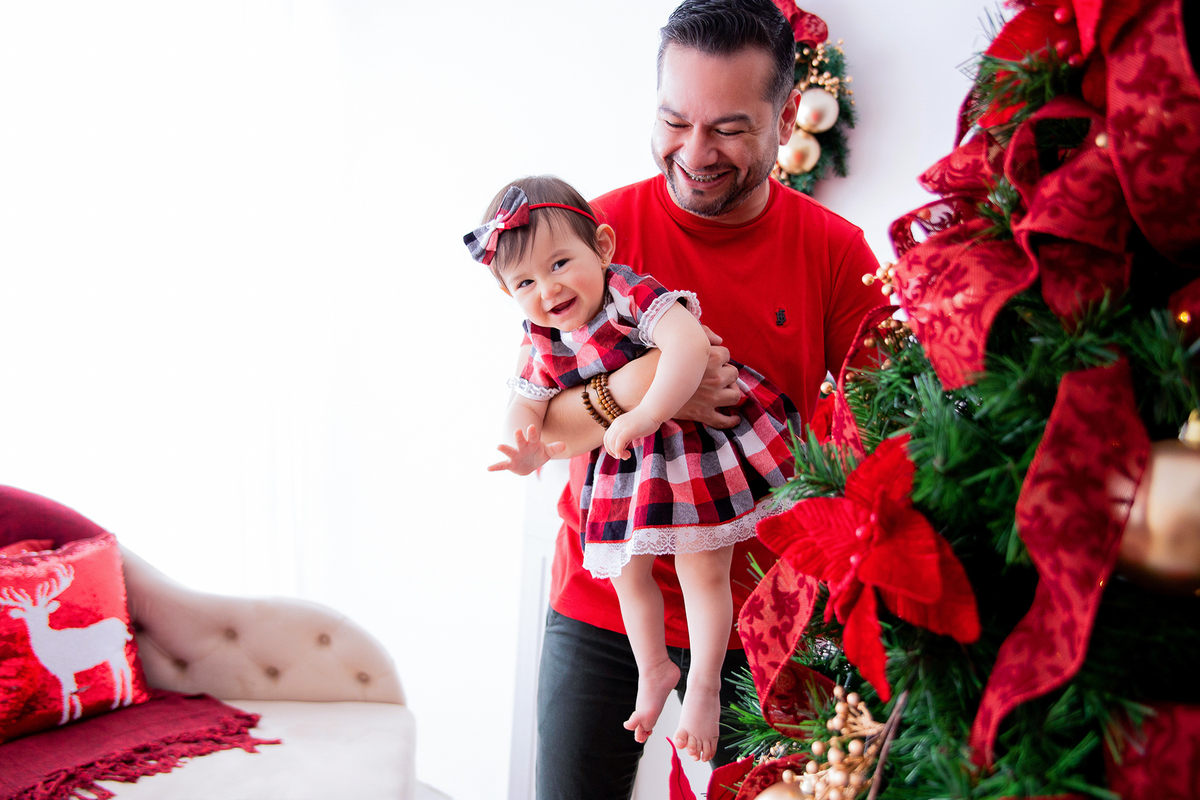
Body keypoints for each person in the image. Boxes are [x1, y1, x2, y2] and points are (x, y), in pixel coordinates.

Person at [531, 1, 883, 797]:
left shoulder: (834, 254)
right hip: (601, 608)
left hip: (763, 624)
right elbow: (541, 430)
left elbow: (882, 440)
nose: (694, 154)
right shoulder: (595, 234)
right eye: (673, 121)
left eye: (727, 127)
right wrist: (657, 388)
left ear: (787, 114)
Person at [470, 175, 802, 762]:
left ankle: (702, 685)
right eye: (525, 281)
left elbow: (690, 345)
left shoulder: (630, 294)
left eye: (560, 263)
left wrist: (649, 411)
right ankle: (654, 669)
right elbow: (525, 403)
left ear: (601, 246)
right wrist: (522, 448)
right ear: (508, 293)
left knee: (705, 571)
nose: (548, 289)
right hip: (626, 469)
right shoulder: (543, 337)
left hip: (695, 450)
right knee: (628, 575)